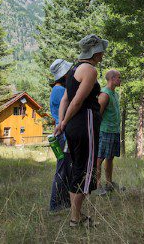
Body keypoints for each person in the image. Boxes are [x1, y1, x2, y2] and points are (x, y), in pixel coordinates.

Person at [54, 34, 107, 227]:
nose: (103, 53)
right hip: (85, 123)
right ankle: (75, 220)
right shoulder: (90, 70)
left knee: (77, 168)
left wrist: (62, 122)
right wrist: (65, 120)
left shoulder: (74, 69)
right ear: (95, 51)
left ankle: (76, 216)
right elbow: (76, 101)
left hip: (74, 125)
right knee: (85, 172)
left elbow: (65, 99)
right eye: (101, 49)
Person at [49, 59, 73, 212]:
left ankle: (64, 202)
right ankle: (55, 205)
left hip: (63, 133)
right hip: (63, 135)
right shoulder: (59, 91)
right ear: (64, 75)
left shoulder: (57, 90)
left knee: (66, 169)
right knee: (62, 169)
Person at [95, 70, 122, 195]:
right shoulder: (105, 94)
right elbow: (98, 114)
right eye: (119, 77)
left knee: (110, 157)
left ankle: (109, 183)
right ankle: (97, 185)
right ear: (112, 78)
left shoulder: (114, 94)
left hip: (114, 131)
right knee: (99, 158)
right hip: (105, 130)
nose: (120, 80)